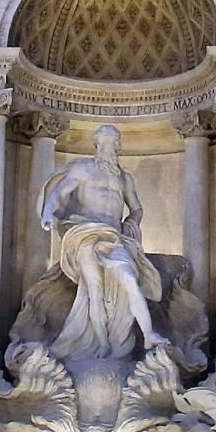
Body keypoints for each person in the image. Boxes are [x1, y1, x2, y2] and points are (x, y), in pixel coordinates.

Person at [36, 124, 167, 363]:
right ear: (97, 144)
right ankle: (103, 344)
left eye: (114, 142)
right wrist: (47, 212)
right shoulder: (82, 169)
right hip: (85, 232)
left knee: (129, 278)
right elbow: (59, 194)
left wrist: (131, 223)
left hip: (114, 237)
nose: (110, 147)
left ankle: (148, 334)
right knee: (93, 289)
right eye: (105, 142)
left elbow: (136, 208)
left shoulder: (124, 178)